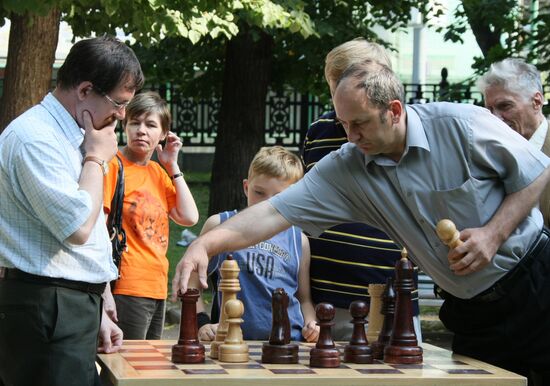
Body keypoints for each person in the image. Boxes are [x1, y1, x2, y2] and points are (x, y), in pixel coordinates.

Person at [173, 60, 550, 384]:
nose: (350, 136)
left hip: (536, 287)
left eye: (360, 123)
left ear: (395, 110)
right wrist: (207, 243)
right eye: (342, 123)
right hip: (472, 313)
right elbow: (273, 211)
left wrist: (492, 234)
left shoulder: (460, 125)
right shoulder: (347, 166)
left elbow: (537, 172)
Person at [0, 35, 143, 386]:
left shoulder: (76, 133)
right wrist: (96, 159)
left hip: (66, 304)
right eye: (119, 103)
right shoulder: (35, 138)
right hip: (45, 306)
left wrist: (99, 303)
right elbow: (78, 227)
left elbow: (90, 224)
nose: (122, 115)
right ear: (84, 90)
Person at [302, 39, 421, 341]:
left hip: (389, 294)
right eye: (335, 85)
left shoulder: (404, 134)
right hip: (324, 295)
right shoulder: (319, 132)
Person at [193, 146, 319, 342]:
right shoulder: (220, 226)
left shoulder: (298, 240)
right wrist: (201, 322)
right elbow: (193, 284)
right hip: (231, 343)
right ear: (246, 187)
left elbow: (304, 299)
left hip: (288, 343)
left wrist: (311, 324)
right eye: (259, 192)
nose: (266, 203)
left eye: (279, 197)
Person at [102, 91, 199, 340]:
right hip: (126, 285)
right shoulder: (113, 165)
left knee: (149, 369)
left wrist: (172, 165)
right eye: (135, 122)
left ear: (164, 134)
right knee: (128, 368)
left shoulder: (157, 171)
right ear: (125, 125)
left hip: (157, 286)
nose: (141, 130)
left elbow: (189, 217)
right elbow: (98, 230)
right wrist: (104, 291)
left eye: (151, 124)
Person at [477, 58, 550, 227]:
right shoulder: (487, 156)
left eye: (505, 106)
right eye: (489, 110)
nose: (495, 118)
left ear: (537, 102)